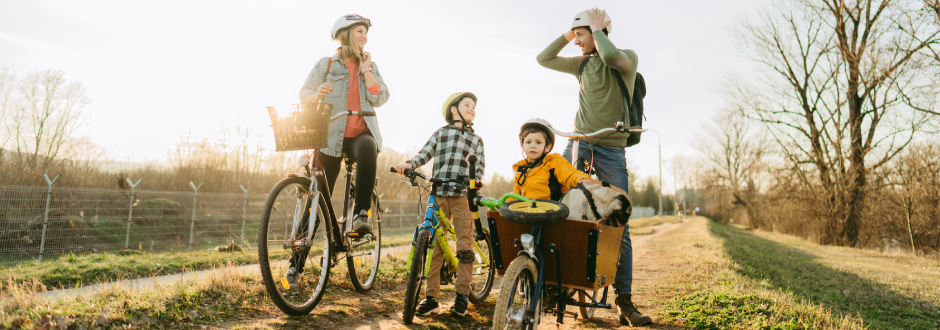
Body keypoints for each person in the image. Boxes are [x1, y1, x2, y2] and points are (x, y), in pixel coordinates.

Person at [536, 8, 651, 326]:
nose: (576, 42)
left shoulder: (626, 59)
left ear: (599, 31)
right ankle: (553, 284)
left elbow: (613, 55)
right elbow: (543, 59)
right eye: (576, 36)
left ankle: (624, 301)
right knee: (560, 208)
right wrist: (569, 33)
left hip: (612, 150)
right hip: (580, 143)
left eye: (581, 35)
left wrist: (597, 30)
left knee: (618, 222)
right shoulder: (580, 63)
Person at [393, 92, 485, 317]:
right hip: (438, 193)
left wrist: (477, 179)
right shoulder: (441, 134)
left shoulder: (476, 140)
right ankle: (431, 297)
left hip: (462, 194)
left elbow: (479, 166)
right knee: (434, 246)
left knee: (464, 247)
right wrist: (409, 164)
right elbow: (424, 154)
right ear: (454, 110)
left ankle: (462, 295)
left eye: (474, 106)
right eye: (467, 105)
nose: (472, 109)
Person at [299, 14, 390, 236]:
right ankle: (296, 261)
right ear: (346, 34)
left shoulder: (370, 66)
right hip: (330, 138)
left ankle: (361, 214)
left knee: (369, 147)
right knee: (318, 198)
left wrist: (366, 69)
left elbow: (381, 98)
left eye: (366, 33)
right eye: (360, 31)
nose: (365, 37)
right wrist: (316, 94)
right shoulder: (326, 64)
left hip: (360, 135)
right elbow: (305, 93)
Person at [512, 118, 595, 201]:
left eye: (538, 142)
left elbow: (568, 174)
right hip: (526, 210)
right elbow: (516, 193)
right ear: (522, 146)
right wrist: (507, 202)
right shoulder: (520, 169)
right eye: (528, 142)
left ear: (547, 147)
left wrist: (580, 179)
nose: (532, 146)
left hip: (550, 209)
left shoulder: (553, 162)